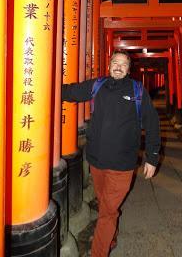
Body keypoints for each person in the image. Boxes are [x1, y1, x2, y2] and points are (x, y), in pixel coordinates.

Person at [62, 50, 160, 257]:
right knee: (104, 203)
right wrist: (42, 86)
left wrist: (151, 158)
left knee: (107, 212)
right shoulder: (98, 86)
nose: (118, 66)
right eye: (115, 62)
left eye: (123, 64)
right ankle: (110, 236)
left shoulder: (137, 91)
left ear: (128, 69)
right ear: (109, 65)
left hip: (122, 164)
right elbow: (70, 92)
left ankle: (99, 251)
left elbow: (152, 124)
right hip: (97, 160)